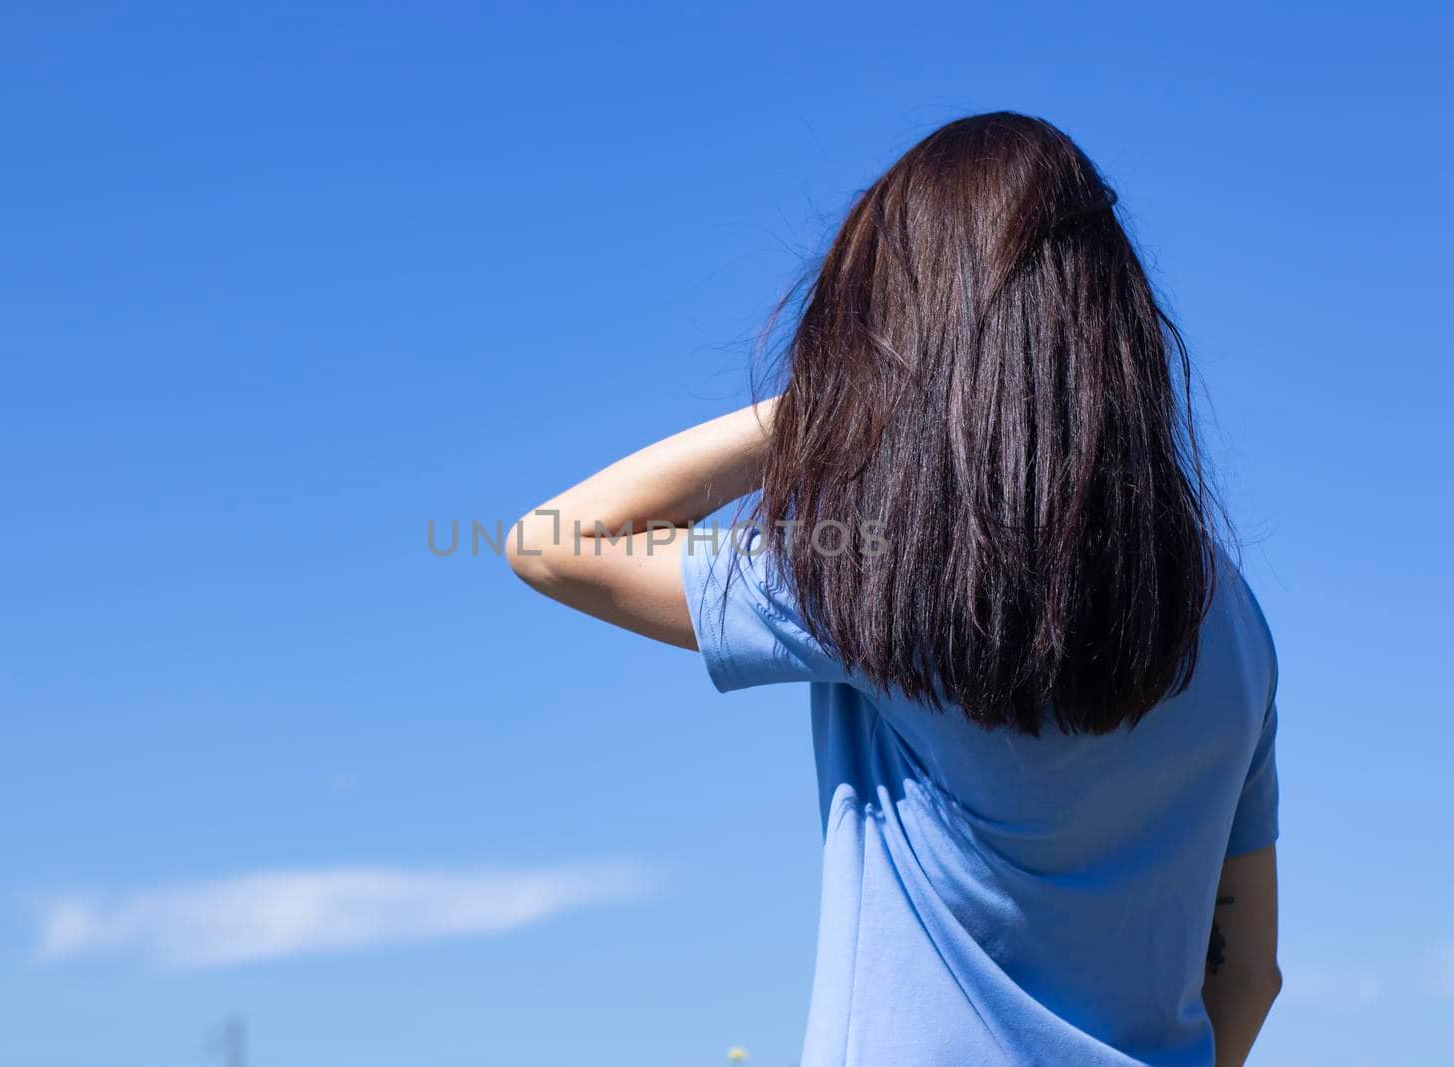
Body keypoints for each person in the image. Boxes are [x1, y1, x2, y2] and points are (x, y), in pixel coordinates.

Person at [504, 112, 1281, 1066]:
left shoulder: (886, 573)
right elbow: (1247, 976)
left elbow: (552, 541)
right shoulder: (1231, 619)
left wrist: (833, 405)